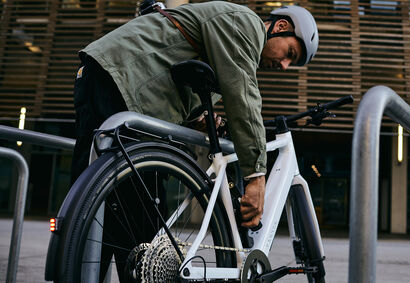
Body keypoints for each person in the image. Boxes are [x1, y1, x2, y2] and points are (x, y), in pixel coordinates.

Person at [71, 1, 318, 230]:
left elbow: (174, 69)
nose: (284, 65)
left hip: (117, 81)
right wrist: (255, 176)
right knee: (125, 204)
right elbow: (243, 96)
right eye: (290, 54)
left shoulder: (228, 48)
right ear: (281, 26)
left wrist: (193, 118)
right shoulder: (245, 23)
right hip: (118, 77)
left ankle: (87, 263)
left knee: (110, 203)